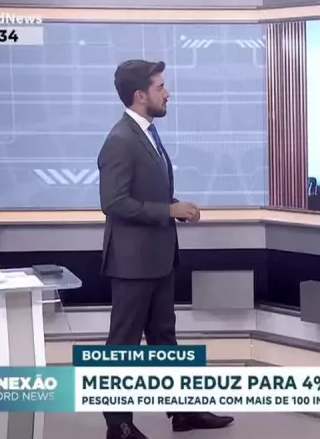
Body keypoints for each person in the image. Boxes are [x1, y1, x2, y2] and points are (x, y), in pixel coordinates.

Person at [98, 59, 234, 439]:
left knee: (163, 339)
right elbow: (114, 202)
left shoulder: (147, 134)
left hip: (157, 258)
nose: (167, 92)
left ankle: (184, 411)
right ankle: (118, 426)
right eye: (160, 87)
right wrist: (167, 211)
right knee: (123, 347)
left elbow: (145, 193)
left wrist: (175, 206)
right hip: (131, 263)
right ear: (140, 95)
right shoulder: (120, 140)